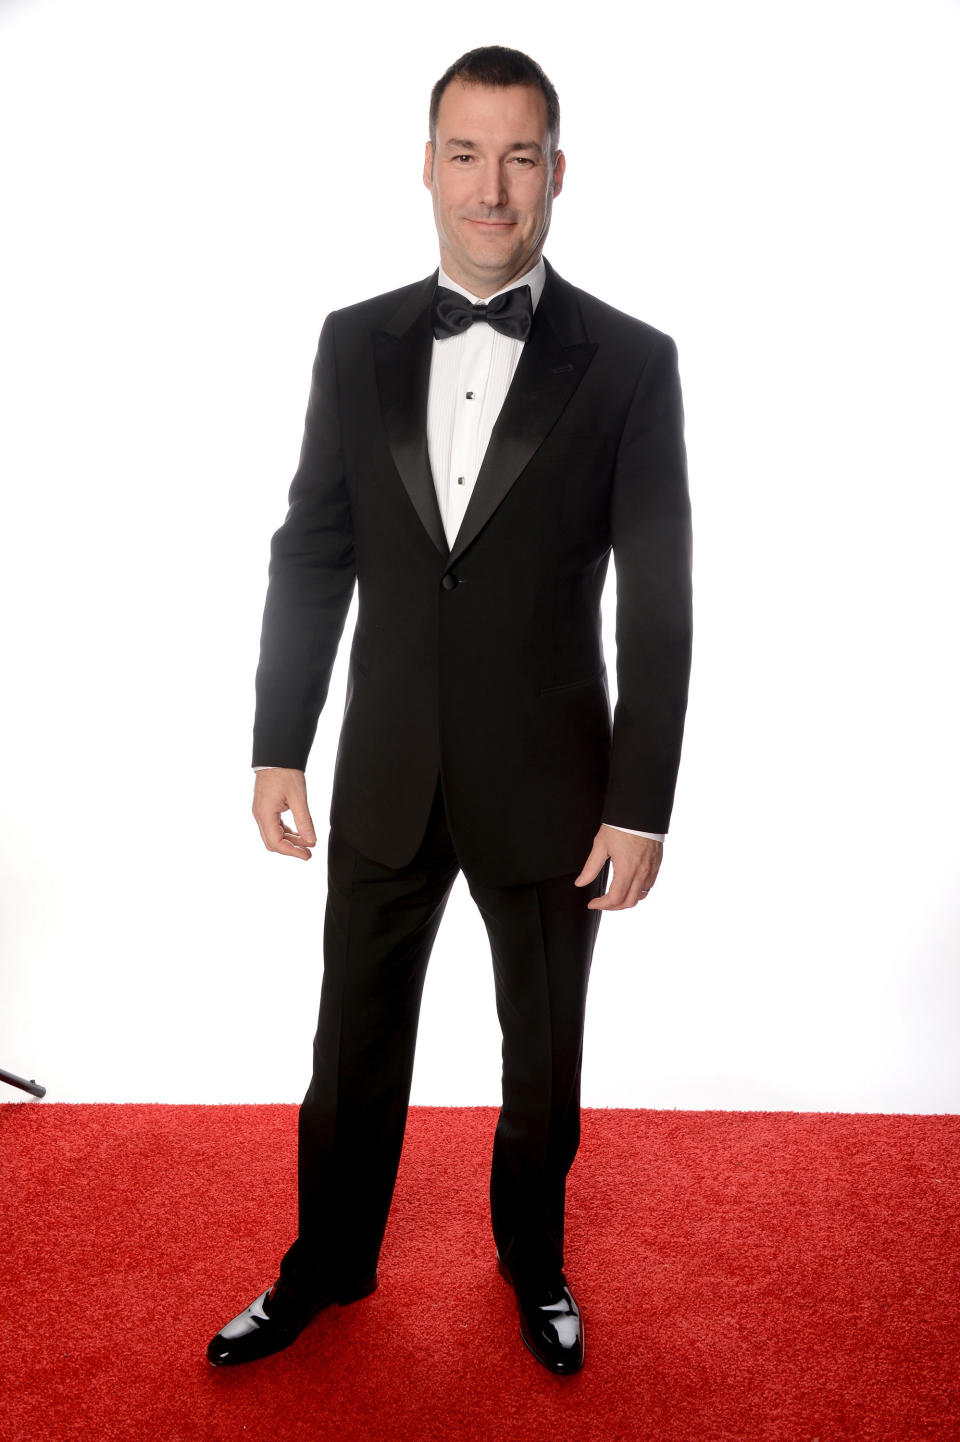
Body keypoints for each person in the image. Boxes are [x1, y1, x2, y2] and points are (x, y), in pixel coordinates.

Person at [207, 44, 692, 1376]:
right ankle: (325, 1265)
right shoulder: (354, 342)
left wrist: (641, 801)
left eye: (520, 156)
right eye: (466, 154)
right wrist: (275, 740)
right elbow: (311, 546)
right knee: (350, 1043)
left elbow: (658, 599)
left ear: (558, 174)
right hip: (385, 773)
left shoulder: (632, 364)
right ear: (427, 166)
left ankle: (533, 1264)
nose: (492, 188)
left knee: (542, 1061)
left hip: (553, 786)